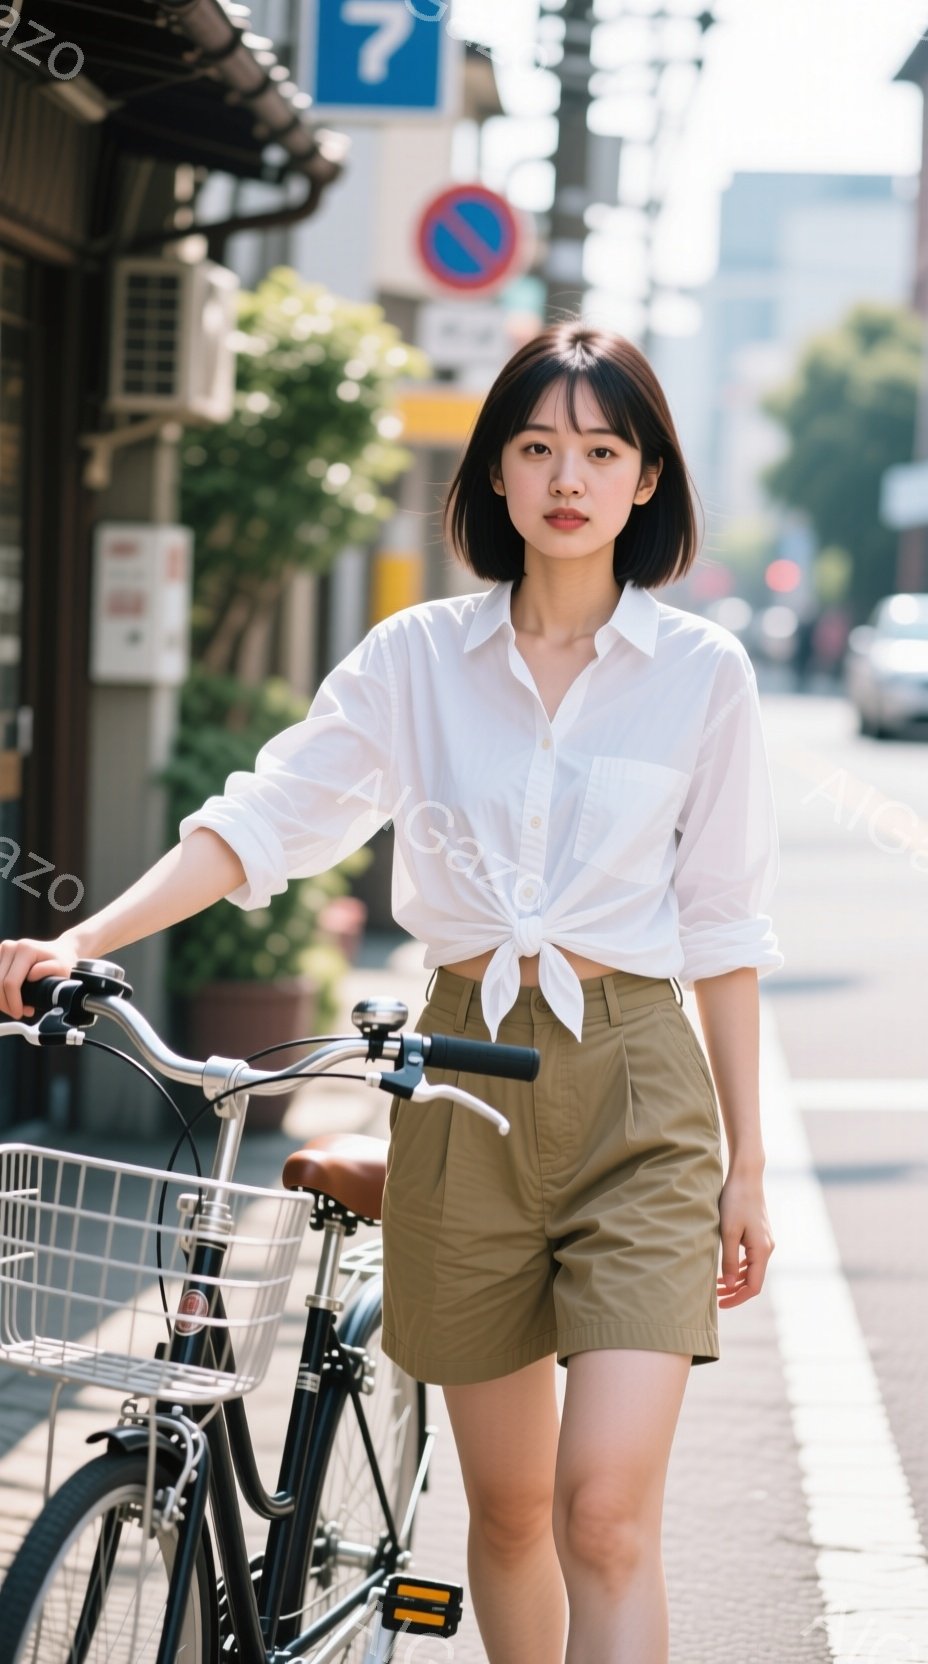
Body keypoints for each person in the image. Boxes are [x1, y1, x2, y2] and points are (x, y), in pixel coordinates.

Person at [0, 319, 783, 1664]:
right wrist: (87, 936)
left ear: (647, 477)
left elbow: (722, 926)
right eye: (536, 447)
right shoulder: (416, 659)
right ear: (492, 473)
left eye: (602, 449)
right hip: (460, 1078)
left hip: (639, 1098)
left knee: (604, 1511)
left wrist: (748, 1167)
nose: (568, 477)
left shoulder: (704, 677)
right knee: (517, 1509)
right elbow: (265, 821)